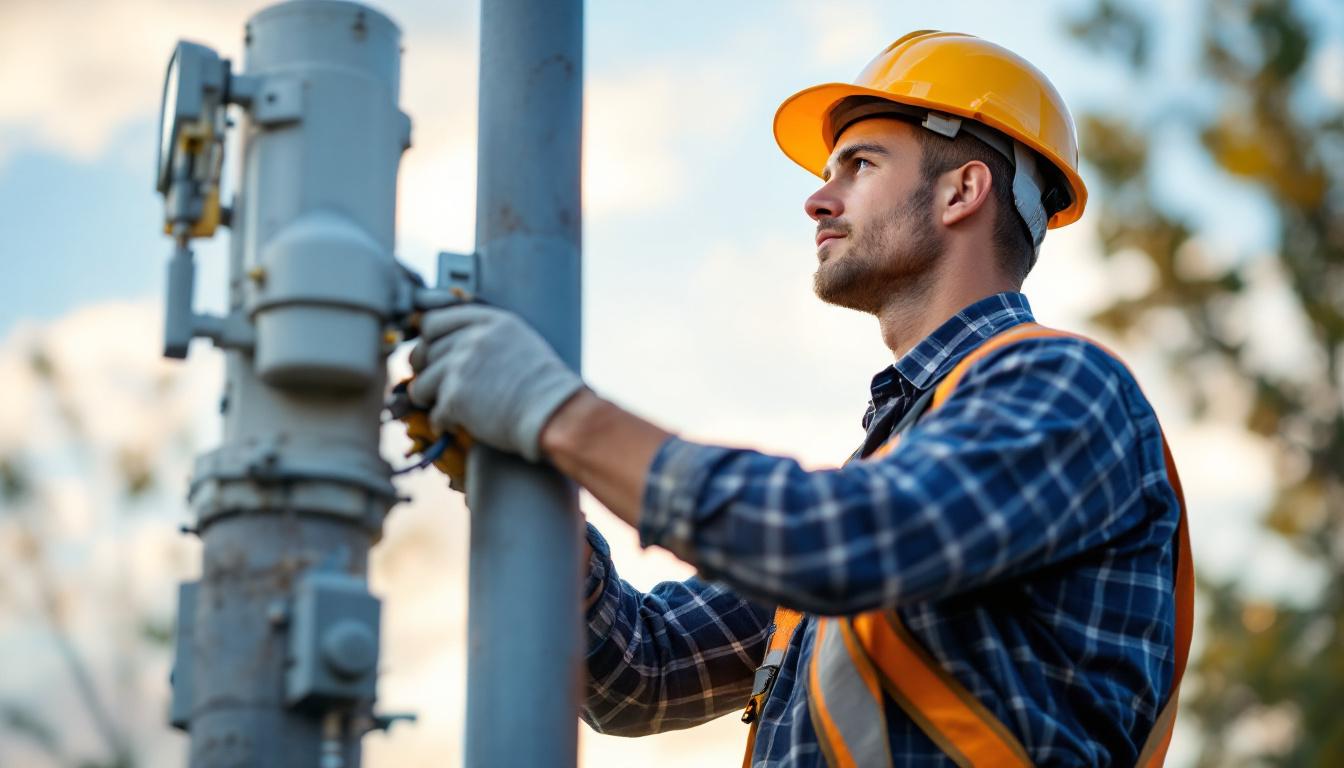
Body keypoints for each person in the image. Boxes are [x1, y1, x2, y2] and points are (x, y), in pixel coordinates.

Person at [408, 31, 1192, 767]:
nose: (819, 200)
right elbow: (638, 676)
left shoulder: (1066, 389)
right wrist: (518, 470)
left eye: (860, 166)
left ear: (962, 190)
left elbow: (840, 543)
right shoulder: (893, 463)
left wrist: (554, 411)